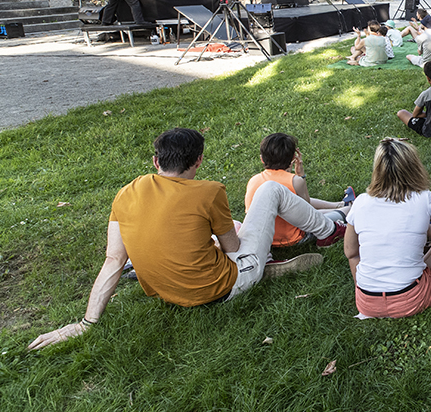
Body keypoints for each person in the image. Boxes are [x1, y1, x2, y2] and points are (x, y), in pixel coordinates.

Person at [27, 128, 345, 350]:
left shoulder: (126, 193)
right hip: (221, 287)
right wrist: (224, 243)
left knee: (234, 223)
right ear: (199, 161)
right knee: (270, 191)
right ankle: (330, 233)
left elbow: (114, 259)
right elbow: (233, 248)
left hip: (170, 292)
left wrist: (86, 322)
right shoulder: (209, 191)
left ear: (156, 161)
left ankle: (272, 264)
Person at [343, 138, 431, 318]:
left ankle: (368, 291)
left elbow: (351, 252)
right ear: (414, 166)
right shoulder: (424, 197)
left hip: (366, 304)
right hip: (411, 299)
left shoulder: (360, 202)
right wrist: (426, 227)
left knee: (356, 255)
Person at [245, 132, 350, 250]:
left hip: (266, 239)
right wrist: (301, 176)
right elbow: (307, 209)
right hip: (294, 238)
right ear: (292, 159)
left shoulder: (253, 180)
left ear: (262, 159)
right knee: (347, 211)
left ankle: (338, 205)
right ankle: (345, 208)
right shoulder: (295, 181)